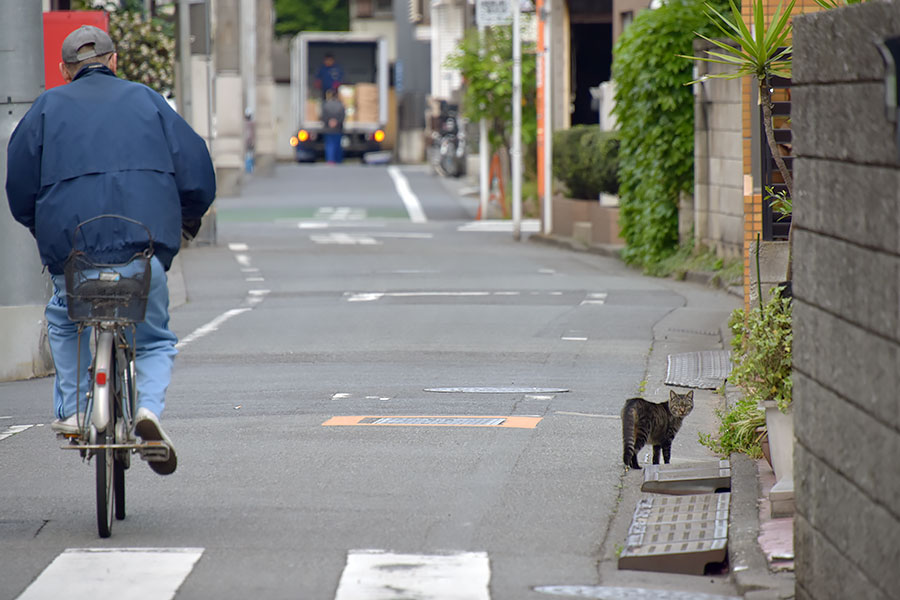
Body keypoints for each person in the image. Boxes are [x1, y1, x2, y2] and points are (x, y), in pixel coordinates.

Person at [5, 25, 216, 476]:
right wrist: (188, 218)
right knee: (155, 338)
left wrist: (39, 227)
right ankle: (148, 413)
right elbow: (196, 169)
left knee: (64, 322)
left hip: (73, 253)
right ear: (114, 61)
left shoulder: (45, 108)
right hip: (143, 251)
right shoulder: (147, 101)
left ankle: (75, 411)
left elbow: (20, 186)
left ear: (64, 70)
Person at [321, 89, 345, 164]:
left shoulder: (325, 105)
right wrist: (337, 121)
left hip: (328, 128)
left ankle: (330, 160)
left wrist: (329, 121)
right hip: (338, 128)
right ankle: (338, 160)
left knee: (329, 144)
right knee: (337, 144)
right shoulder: (341, 105)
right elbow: (343, 116)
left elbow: (323, 116)